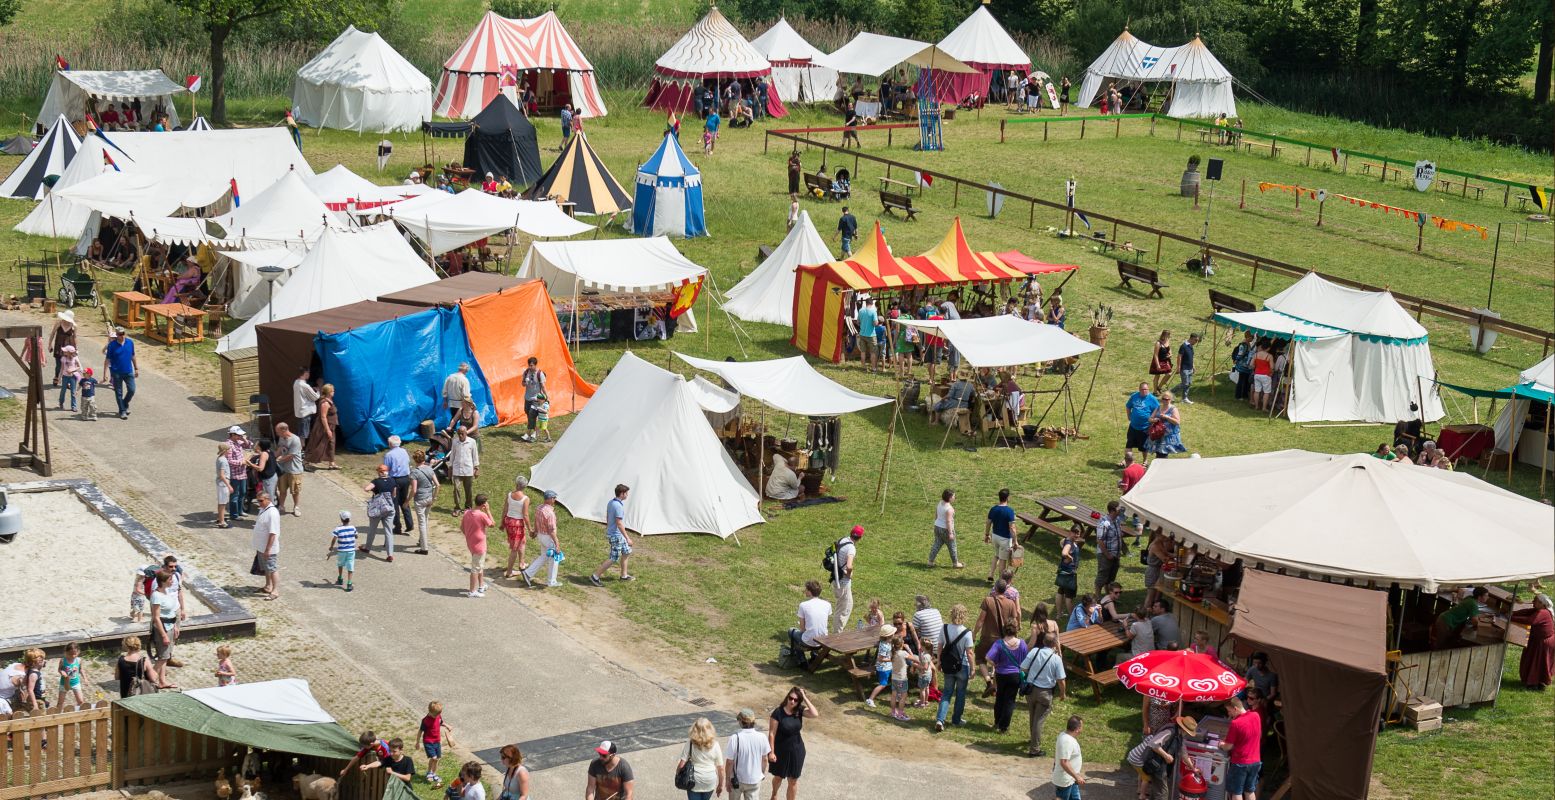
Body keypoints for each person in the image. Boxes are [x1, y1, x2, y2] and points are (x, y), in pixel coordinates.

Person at [1021, 631, 1066, 757]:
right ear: (1055, 644)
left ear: (1043, 641)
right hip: (1045, 693)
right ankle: (1034, 749)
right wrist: (1063, 694)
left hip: (1030, 690)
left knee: (1033, 716)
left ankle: (1033, 740)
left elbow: (1023, 667)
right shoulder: (1056, 659)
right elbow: (1061, 680)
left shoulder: (1035, 651)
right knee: (1039, 720)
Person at [1128, 716, 1193, 800]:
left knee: (1158, 791)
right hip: (1155, 763)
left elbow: (1184, 754)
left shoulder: (1180, 736)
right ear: (1185, 729)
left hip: (1160, 765)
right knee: (1163, 793)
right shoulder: (1170, 731)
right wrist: (1166, 755)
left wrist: (1193, 768)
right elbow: (1153, 744)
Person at [768, 686, 816, 800]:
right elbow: (771, 734)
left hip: (797, 750)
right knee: (778, 777)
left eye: (796, 700)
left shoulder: (799, 711)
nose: (792, 701)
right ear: (787, 697)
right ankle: (774, 794)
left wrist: (804, 697)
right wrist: (771, 752)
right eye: (791, 698)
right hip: (781, 750)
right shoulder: (778, 712)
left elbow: (815, 714)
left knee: (793, 780)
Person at [983, 621, 1028, 733]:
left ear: (1004, 630)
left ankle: (997, 722)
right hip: (1015, 676)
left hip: (1001, 675)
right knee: (1010, 701)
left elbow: (988, 658)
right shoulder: (1022, 643)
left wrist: (996, 664)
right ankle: (1004, 727)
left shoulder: (999, 643)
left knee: (999, 699)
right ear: (1016, 630)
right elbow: (1026, 660)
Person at [1219, 697, 1261, 800]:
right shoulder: (1256, 715)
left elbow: (1228, 747)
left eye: (1229, 711)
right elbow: (1251, 735)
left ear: (1235, 709)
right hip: (1255, 761)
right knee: (1249, 791)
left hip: (1240, 762)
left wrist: (1221, 744)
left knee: (1236, 792)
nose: (1229, 714)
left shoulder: (1235, 723)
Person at [724, 708, 770, 800]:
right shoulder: (762, 737)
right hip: (754, 780)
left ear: (741, 722)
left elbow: (729, 762)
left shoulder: (735, 738)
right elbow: (764, 759)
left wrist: (727, 779)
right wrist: (761, 773)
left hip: (737, 780)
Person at [674, 717, 725, 800]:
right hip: (709, 780)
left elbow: (682, 764)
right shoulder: (715, 745)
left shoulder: (690, 743)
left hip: (694, 780)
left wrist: (677, 774)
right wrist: (720, 785)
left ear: (694, 729)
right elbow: (721, 768)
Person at [521, 490, 564, 587]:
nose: (554, 500)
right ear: (549, 499)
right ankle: (551, 581)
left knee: (544, 556)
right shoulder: (550, 513)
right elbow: (551, 530)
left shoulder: (539, 508)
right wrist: (557, 543)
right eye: (554, 498)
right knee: (554, 558)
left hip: (540, 535)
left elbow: (536, 521)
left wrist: (535, 531)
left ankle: (528, 573)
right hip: (548, 538)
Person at [787, 580, 831, 668]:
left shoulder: (803, 605)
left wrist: (806, 627)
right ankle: (814, 655)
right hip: (823, 639)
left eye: (806, 589)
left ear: (810, 592)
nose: (805, 591)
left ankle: (802, 660)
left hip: (810, 640)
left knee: (791, 631)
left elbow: (802, 629)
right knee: (814, 632)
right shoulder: (827, 604)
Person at [148, 571, 181, 688]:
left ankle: (162, 682)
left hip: (170, 626)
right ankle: (147, 680)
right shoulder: (156, 595)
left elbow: (171, 612)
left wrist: (175, 626)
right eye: (170, 579)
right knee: (163, 657)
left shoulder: (166, 592)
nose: (172, 581)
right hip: (163, 628)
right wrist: (163, 635)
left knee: (165, 656)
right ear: (163, 581)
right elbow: (156, 618)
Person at [827, 524, 862, 630]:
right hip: (843, 581)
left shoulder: (842, 540)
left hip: (836, 577)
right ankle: (837, 634)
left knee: (843, 606)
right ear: (860, 538)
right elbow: (849, 565)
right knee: (844, 609)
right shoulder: (851, 548)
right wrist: (849, 573)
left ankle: (837, 631)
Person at [362, 465, 398, 561]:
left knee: (372, 529)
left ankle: (367, 548)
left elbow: (366, 489)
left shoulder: (376, 481)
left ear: (379, 472)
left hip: (377, 509)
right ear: (387, 472)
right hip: (389, 509)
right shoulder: (392, 481)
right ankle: (390, 554)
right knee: (388, 532)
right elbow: (394, 494)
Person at [500, 476, 533, 579]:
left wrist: (502, 523)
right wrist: (530, 529)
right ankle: (509, 572)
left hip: (509, 521)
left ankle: (522, 563)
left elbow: (505, 510)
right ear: (525, 486)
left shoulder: (509, 495)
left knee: (522, 541)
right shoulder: (525, 499)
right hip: (517, 524)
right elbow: (525, 515)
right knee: (515, 548)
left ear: (516, 484)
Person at [1519, 593, 1554, 689]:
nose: (1532, 602)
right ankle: (1536, 682)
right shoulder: (1539, 610)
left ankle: (1534, 683)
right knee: (1535, 661)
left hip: (1543, 643)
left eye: (1535, 601)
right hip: (1538, 640)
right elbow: (1526, 612)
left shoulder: (1543, 612)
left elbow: (1530, 621)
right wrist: (1512, 613)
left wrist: (1510, 617)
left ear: (1542, 603)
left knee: (1537, 662)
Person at [103, 326, 138, 419]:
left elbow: (133, 355)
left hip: (128, 371)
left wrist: (136, 368)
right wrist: (105, 373)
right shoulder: (112, 345)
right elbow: (107, 359)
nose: (121, 336)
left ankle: (125, 403)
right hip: (116, 372)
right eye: (119, 334)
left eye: (123, 334)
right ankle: (122, 410)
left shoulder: (130, 343)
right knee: (119, 392)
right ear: (116, 335)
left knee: (132, 390)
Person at [252, 492, 282, 600]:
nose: (259, 503)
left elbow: (273, 533)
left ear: (268, 499)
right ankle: (268, 586)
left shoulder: (272, 513)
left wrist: (268, 549)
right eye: (258, 501)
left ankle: (275, 590)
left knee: (272, 568)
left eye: (261, 501)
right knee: (266, 568)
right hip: (261, 546)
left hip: (268, 548)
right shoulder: (263, 509)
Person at [463, 494, 493, 597]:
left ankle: (481, 586)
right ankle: (472, 591)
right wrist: (488, 511)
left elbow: (462, 527)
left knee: (480, 565)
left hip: (471, 544)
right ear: (484, 504)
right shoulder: (482, 515)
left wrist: (469, 536)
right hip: (479, 546)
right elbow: (492, 524)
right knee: (475, 568)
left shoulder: (467, 512)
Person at [984, 488, 1017, 582]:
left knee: (996, 555)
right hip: (1005, 539)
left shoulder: (993, 509)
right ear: (1008, 498)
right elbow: (1012, 528)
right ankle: (1001, 581)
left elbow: (988, 522)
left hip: (995, 536)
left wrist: (987, 534)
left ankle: (991, 573)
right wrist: (1015, 541)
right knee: (1003, 560)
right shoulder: (1009, 511)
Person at [384, 435, 414, 535]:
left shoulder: (389, 455)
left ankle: (397, 526)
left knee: (394, 503)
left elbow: (386, 470)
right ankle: (409, 524)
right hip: (405, 478)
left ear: (390, 444)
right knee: (404, 500)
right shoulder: (404, 451)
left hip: (395, 479)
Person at [304, 384, 339, 469]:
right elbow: (323, 417)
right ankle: (305, 462)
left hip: (331, 425)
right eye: (332, 391)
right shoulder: (325, 403)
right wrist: (327, 430)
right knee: (317, 445)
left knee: (331, 444)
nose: (334, 392)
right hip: (323, 427)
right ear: (328, 392)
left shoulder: (329, 400)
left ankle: (332, 463)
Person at [410, 450, 438, 555]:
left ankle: (424, 548)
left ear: (415, 460)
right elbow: (438, 485)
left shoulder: (414, 472)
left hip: (420, 500)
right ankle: (422, 541)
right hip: (429, 498)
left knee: (421, 523)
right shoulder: (429, 469)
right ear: (424, 459)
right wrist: (434, 498)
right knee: (425, 520)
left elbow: (414, 490)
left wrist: (407, 500)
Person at [1145, 392, 1187, 460]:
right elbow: (1150, 419)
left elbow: (1177, 422)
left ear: (1171, 400)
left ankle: (1161, 468)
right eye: (1163, 399)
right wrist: (1154, 420)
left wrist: (1167, 417)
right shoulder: (1158, 407)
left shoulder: (1173, 409)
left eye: (1167, 399)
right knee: (1159, 453)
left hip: (1167, 437)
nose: (1165, 400)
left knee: (1162, 455)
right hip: (1157, 434)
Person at [418, 701, 453, 786]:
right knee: (433, 758)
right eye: (435, 715)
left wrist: (447, 725)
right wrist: (417, 742)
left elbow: (440, 722)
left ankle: (434, 773)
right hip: (428, 741)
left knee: (437, 759)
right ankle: (429, 772)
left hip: (437, 741)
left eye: (438, 715)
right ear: (429, 711)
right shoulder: (425, 720)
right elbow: (420, 731)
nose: (436, 717)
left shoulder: (437, 715)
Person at [1125, 383, 1160, 465]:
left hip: (1145, 427)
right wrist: (1129, 416)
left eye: (1146, 389)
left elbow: (1157, 409)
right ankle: (1127, 461)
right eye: (1142, 389)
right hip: (1133, 426)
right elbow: (1128, 406)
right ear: (1139, 389)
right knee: (1129, 445)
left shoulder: (1152, 399)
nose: (1144, 391)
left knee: (1143, 447)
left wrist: (1152, 419)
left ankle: (1145, 461)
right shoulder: (1134, 396)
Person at [1053, 715, 1086, 799]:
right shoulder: (1067, 741)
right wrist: (1077, 776)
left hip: (1071, 779)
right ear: (1077, 729)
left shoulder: (1065, 735)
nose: (1082, 729)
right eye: (1082, 727)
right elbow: (1064, 762)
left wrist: (1075, 776)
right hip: (1064, 781)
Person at [1094, 501, 1124, 594]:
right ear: (1113, 510)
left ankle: (1109, 597)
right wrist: (1107, 555)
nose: (1121, 510)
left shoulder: (1117, 520)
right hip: (1105, 555)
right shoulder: (1104, 523)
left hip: (1116, 555)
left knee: (1111, 578)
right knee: (1102, 578)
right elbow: (1100, 540)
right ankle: (1098, 598)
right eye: (1119, 509)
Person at [448, 426, 480, 513]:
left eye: (462, 433)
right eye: (459, 434)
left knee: (468, 490)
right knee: (456, 489)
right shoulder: (455, 441)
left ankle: (468, 507)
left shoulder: (472, 442)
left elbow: (475, 455)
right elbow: (452, 455)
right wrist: (450, 467)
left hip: (468, 469)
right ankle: (457, 507)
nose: (460, 435)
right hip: (457, 469)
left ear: (466, 433)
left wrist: (476, 468)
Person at [1055, 528, 1083, 619]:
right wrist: (1070, 558)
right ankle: (1072, 617)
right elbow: (1064, 553)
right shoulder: (1069, 543)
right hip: (1069, 573)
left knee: (1060, 591)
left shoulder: (1067, 541)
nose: (1076, 535)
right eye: (1075, 533)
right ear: (1070, 532)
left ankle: (1059, 614)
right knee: (1069, 596)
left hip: (1063, 571)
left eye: (1078, 533)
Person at [328, 510, 358, 592]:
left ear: (341, 519)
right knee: (350, 566)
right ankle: (349, 583)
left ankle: (340, 577)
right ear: (349, 519)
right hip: (351, 550)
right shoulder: (353, 528)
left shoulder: (338, 528)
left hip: (341, 550)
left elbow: (334, 538)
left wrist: (331, 546)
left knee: (340, 564)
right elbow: (356, 536)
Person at [520, 357, 547, 442]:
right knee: (528, 413)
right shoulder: (526, 372)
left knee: (532, 415)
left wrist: (546, 396)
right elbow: (522, 384)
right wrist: (525, 382)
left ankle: (530, 433)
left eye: (532, 365)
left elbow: (543, 386)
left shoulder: (540, 374)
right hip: (527, 397)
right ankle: (534, 431)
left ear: (535, 365)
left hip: (535, 398)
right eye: (529, 365)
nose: (530, 367)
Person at [48, 309, 77, 386]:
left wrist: (75, 348)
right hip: (59, 346)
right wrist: (50, 344)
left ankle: (67, 380)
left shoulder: (73, 326)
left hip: (69, 347)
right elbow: (52, 333)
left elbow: (75, 337)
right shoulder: (58, 323)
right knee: (58, 364)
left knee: (69, 363)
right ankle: (56, 377)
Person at [54, 642, 86, 707]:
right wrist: (61, 672)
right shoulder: (63, 660)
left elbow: (81, 669)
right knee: (60, 702)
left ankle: (80, 713)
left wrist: (85, 678)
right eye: (70, 654)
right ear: (66, 652)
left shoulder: (79, 660)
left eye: (75, 654)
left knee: (81, 701)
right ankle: (58, 714)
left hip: (75, 683)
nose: (73, 656)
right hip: (64, 683)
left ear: (78, 652)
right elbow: (59, 669)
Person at [293, 367, 319, 440]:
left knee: (301, 431)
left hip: (299, 411)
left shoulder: (296, 382)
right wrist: (318, 390)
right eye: (308, 373)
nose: (309, 374)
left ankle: (301, 449)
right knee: (303, 433)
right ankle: (301, 450)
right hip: (305, 412)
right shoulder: (304, 385)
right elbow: (315, 397)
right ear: (306, 373)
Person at [855, 296, 879, 372]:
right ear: (872, 304)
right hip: (871, 335)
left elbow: (858, 322)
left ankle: (863, 367)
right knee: (873, 352)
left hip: (862, 334)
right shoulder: (873, 311)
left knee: (863, 352)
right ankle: (873, 368)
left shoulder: (861, 311)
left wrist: (863, 324)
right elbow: (875, 323)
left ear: (866, 303)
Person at [1175, 333, 1200, 403]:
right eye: (1195, 340)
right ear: (1191, 338)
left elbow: (1191, 358)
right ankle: (1170, 393)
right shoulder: (1183, 346)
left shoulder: (1191, 347)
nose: (1196, 342)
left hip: (1190, 368)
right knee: (1184, 383)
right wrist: (1178, 367)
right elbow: (1179, 357)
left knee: (1189, 383)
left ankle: (1184, 398)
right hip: (1184, 368)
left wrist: (1193, 366)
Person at [214, 442, 234, 529]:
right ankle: (222, 522)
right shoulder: (223, 460)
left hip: (220, 483)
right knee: (223, 503)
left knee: (221, 502)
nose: (230, 450)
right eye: (229, 449)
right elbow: (222, 475)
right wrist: (229, 485)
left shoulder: (220, 458)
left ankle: (220, 518)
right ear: (225, 450)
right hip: (223, 484)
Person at [1231, 332, 1255, 401]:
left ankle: (1244, 395)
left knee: (1245, 381)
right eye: (1251, 337)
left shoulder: (1247, 344)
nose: (1252, 339)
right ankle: (1238, 396)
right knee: (1241, 381)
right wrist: (1236, 360)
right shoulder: (1243, 345)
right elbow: (1240, 354)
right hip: (1243, 365)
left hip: (1246, 366)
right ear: (1248, 337)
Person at [1250, 343, 1274, 411]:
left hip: (1257, 374)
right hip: (1266, 375)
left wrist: (1256, 368)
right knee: (1266, 392)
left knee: (1257, 391)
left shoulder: (1256, 354)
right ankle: (1264, 408)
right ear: (1268, 348)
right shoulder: (1269, 356)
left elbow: (1251, 365)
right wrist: (1271, 372)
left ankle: (1256, 406)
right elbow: (1272, 367)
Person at [57, 344, 80, 410]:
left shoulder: (75, 358)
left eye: (65, 351)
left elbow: (78, 367)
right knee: (63, 391)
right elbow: (61, 368)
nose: (64, 352)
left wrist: (73, 370)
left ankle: (74, 406)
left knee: (73, 392)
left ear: (70, 352)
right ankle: (61, 403)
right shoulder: (63, 358)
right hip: (65, 377)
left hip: (73, 377)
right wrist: (59, 378)